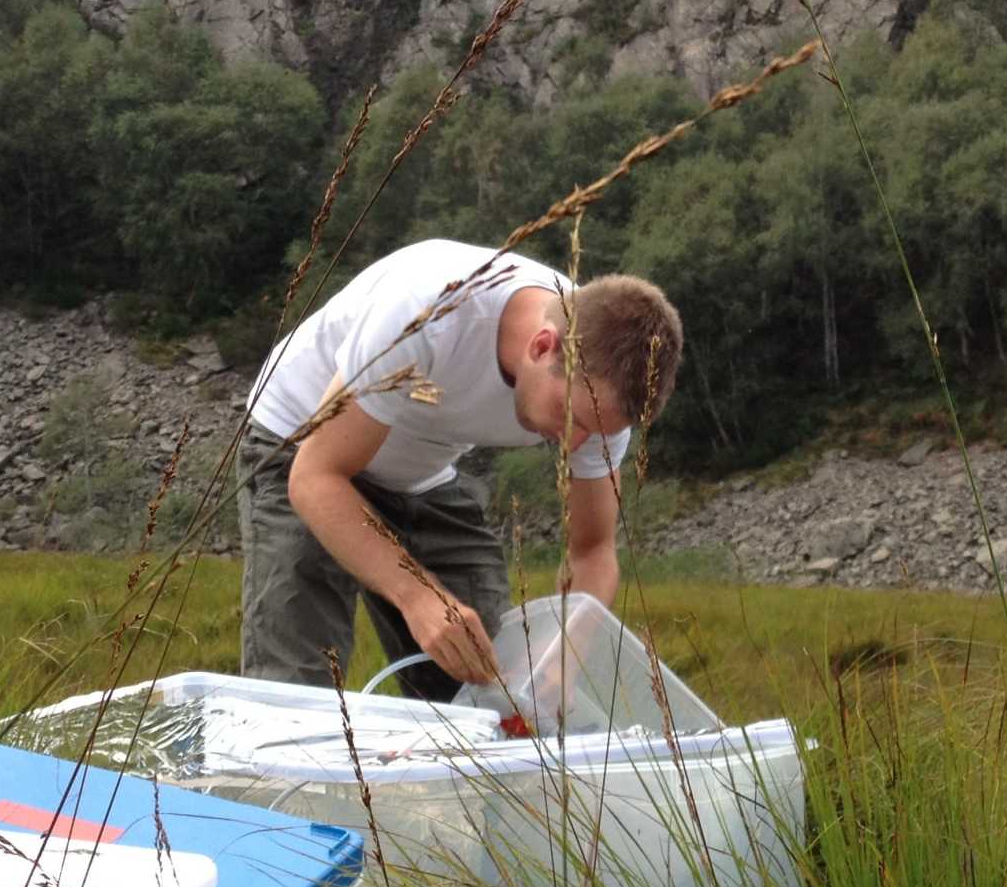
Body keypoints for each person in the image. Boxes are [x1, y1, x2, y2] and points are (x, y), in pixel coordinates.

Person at [237, 238, 683, 700]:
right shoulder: (428, 314)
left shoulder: (603, 398)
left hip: (421, 474)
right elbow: (315, 480)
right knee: (295, 695)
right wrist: (419, 598)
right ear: (543, 346)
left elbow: (592, 551)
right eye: (573, 421)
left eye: (596, 433)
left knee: (492, 688)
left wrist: (561, 661)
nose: (574, 443)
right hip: (303, 445)